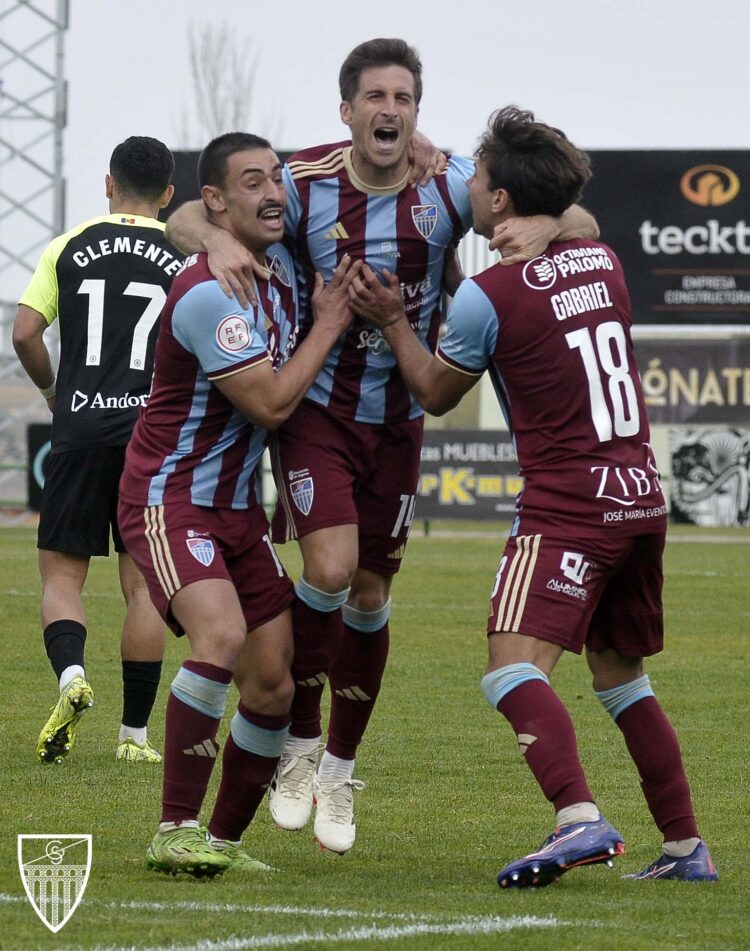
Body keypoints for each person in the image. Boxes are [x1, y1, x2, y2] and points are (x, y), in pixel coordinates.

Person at [165, 37, 598, 855]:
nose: (389, 110)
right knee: (329, 570)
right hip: (317, 413)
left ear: (417, 112)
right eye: (375, 97)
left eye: (403, 98)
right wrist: (212, 239)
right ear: (348, 110)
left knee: (369, 594)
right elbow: (194, 211)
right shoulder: (304, 183)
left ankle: (339, 765)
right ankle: (299, 738)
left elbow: (576, 215)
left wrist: (544, 226)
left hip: (399, 417)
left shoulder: (448, 187)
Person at [347, 105, 717, 887]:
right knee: (623, 679)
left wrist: (393, 319)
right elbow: (575, 218)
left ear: (501, 200)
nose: (468, 190)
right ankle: (686, 848)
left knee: (510, 668)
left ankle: (578, 819)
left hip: (569, 504)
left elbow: (435, 392)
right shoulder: (601, 259)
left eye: (477, 180)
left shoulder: (492, 294)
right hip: (639, 497)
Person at [118, 132, 358, 876]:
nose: (274, 193)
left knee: (274, 678)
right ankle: (174, 827)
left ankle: (219, 841)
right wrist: (329, 323)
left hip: (236, 512)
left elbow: (191, 216)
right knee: (219, 635)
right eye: (253, 182)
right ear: (216, 202)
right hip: (171, 498)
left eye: (277, 179)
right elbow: (271, 404)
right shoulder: (208, 293)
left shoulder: (279, 267)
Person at [13, 136, 180, 765]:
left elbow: (25, 333)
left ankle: (72, 677)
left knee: (62, 576)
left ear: (108, 184)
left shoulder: (69, 246)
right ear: (169, 194)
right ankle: (134, 738)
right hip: (152, 439)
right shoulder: (185, 256)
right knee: (144, 588)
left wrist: (54, 394)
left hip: (80, 429)